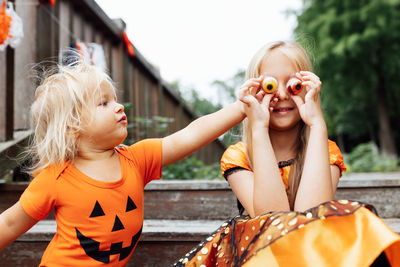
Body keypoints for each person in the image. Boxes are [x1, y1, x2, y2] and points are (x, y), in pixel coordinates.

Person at [0, 54, 247, 266]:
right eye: (104, 103)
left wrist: (241, 107)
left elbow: (190, 135)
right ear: (72, 125)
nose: (118, 107)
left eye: (115, 99)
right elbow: (10, 223)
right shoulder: (56, 178)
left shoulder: (136, 160)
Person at [172, 41, 400, 267]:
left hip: (311, 253)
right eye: (270, 85)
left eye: (293, 85)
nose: (281, 94)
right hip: (260, 255)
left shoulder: (325, 149)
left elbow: (309, 219)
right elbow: (273, 219)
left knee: (359, 223)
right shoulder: (239, 156)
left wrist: (317, 125)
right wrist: (258, 127)